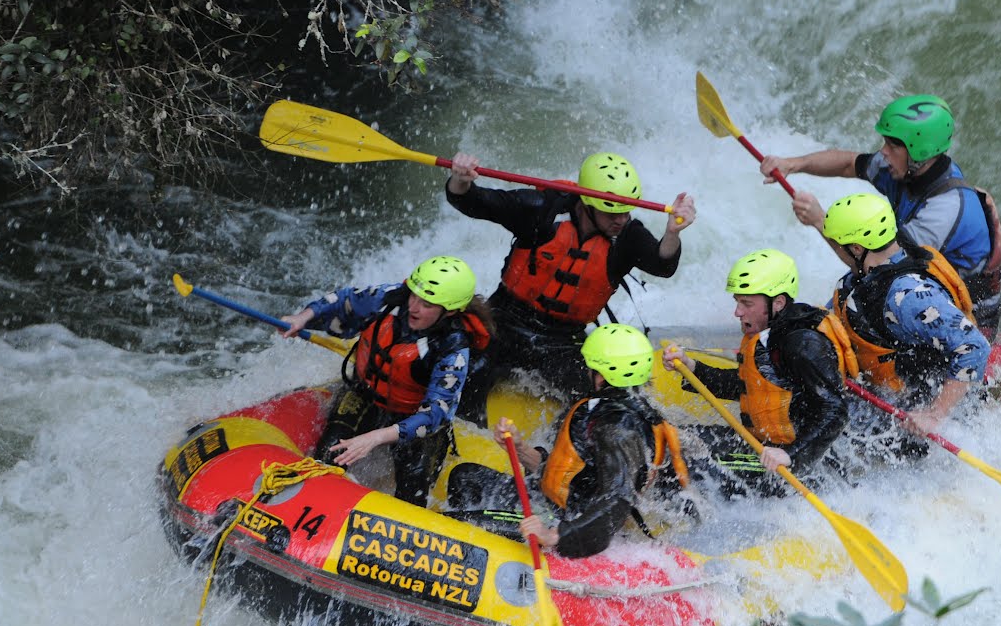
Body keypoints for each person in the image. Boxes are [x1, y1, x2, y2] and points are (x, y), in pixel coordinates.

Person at [444, 150, 697, 420]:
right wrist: (460, 179)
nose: (620, 220)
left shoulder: (627, 236)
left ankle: (567, 449)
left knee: (600, 393)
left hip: (563, 340)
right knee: (468, 369)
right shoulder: (542, 210)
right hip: (504, 322)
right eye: (611, 213)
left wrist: (673, 233)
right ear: (587, 202)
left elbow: (662, 264)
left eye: (625, 211)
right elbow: (473, 201)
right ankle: (462, 435)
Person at [759, 94, 1001, 337]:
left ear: (920, 150)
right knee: (848, 291)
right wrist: (792, 164)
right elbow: (848, 163)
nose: (883, 151)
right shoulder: (906, 168)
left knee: (859, 294)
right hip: (912, 284)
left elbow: (878, 267)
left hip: (963, 318)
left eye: (892, 144)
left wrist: (819, 220)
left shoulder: (944, 210)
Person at [445, 323, 691, 559]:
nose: (585, 371)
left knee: (454, 527)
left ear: (601, 375)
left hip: (567, 522)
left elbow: (617, 499)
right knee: (465, 478)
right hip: (558, 503)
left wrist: (556, 537)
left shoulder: (617, 429)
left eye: (590, 366)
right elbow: (579, 476)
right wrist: (521, 449)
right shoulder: (612, 409)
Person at [280, 255, 493, 507]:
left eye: (426, 304)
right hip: (364, 395)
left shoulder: (453, 349)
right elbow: (344, 301)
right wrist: (303, 317)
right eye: (414, 296)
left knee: (412, 492)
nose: (413, 307)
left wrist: (374, 438)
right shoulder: (391, 298)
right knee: (326, 460)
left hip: (412, 416)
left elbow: (436, 414)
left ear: (450, 312)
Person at [661, 249, 853, 495]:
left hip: (796, 466)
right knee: (671, 440)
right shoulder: (768, 337)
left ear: (779, 303)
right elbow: (749, 387)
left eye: (747, 303)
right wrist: (691, 368)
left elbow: (836, 411)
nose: (737, 312)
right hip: (764, 447)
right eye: (737, 301)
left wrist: (790, 455)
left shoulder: (803, 345)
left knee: (685, 463)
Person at [819, 193, 990, 439]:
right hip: (882, 397)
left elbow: (974, 346)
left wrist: (934, 414)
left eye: (837, 244)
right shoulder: (861, 279)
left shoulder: (907, 296)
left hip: (916, 421)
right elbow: (832, 323)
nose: (836, 250)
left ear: (856, 248)